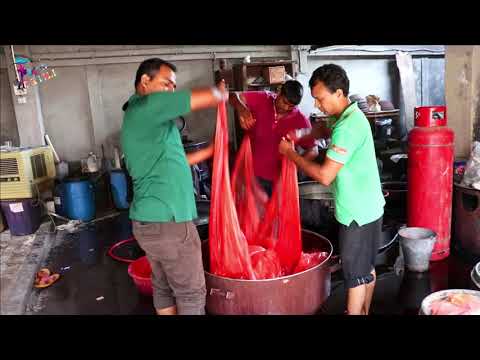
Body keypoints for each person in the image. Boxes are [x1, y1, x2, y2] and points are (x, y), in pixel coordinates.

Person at [121, 58, 228, 315]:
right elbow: (202, 97)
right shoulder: (148, 106)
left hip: (148, 222)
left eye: (173, 86)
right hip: (169, 221)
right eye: (166, 83)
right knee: (191, 293)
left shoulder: (142, 119)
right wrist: (222, 91)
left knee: (163, 286)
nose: (170, 90)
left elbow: (174, 161)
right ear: (145, 82)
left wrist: (212, 151)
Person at [278, 64, 385, 315]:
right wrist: (306, 132)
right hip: (371, 207)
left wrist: (291, 154)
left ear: (339, 93)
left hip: (355, 213)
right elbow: (323, 129)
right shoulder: (350, 115)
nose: (317, 105)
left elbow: (325, 176)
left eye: (320, 99)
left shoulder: (347, 127)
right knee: (367, 268)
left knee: (355, 276)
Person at [228, 80, 318, 196]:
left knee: (275, 213)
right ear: (279, 91)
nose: (286, 108)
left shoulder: (300, 120)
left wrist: (296, 166)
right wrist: (242, 109)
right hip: (250, 174)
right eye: (284, 102)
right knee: (251, 211)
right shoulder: (263, 99)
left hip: (279, 182)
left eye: (291, 106)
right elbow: (233, 96)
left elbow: (313, 150)